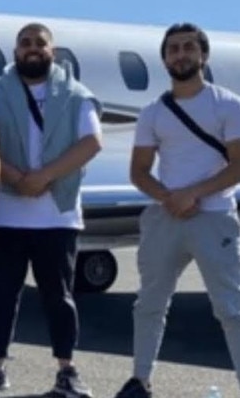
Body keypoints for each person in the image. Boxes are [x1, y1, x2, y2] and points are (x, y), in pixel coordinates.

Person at [114, 23, 240, 398]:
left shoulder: (227, 105)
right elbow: (138, 171)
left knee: (231, 308)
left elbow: (238, 164)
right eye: (173, 49)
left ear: (203, 55)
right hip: (165, 218)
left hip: (215, 216)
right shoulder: (153, 112)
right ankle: (140, 379)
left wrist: (193, 194)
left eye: (188, 48)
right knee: (149, 303)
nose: (180, 55)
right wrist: (169, 197)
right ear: (165, 58)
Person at [0, 23, 102, 397]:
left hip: (57, 216)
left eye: (40, 43)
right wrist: (16, 176)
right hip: (5, 214)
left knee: (59, 298)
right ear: (14, 51)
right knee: (2, 298)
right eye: (25, 44)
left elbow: (92, 142)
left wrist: (45, 176)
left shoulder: (76, 95)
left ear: (54, 51)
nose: (32, 49)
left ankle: (66, 371)